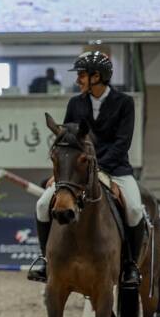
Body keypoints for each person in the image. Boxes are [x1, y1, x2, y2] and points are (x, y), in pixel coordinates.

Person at [29, 51, 144, 289]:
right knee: (42, 205)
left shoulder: (124, 103)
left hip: (115, 169)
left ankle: (130, 265)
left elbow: (122, 142)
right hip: (78, 172)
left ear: (97, 77)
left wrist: (97, 166)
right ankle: (44, 260)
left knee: (134, 209)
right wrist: (63, 172)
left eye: (82, 75)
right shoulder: (75, 103)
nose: (78, 80)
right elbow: (68, 140)